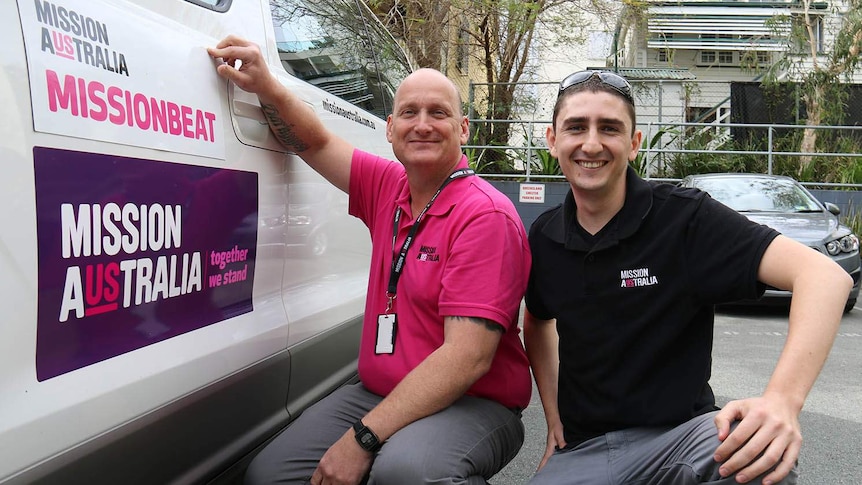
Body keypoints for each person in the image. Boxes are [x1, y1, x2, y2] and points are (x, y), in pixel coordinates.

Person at [207, 36, 532, 485]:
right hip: (381, 391)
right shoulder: (388, 186)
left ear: (464, 129)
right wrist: (268, 86)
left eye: (438, 113)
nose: (422, 125)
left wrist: (363, 438)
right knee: (272, 475)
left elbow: (466, 358)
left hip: (475, 401)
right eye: (409, 113)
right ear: (389, 127)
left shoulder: (485, 215)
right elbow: (314, 142)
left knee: (407, 472)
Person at [523, 70, 851, 485]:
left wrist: (782, 401)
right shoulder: (545, 235)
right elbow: (537, 320)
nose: (591, 143)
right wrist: (554, 418)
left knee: (756, 448)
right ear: (553, 141)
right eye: (576, 127)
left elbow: (824, 276)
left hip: (682, 441)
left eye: (609, 128)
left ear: (634, 144)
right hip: (588, 449)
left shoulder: (684, 218)